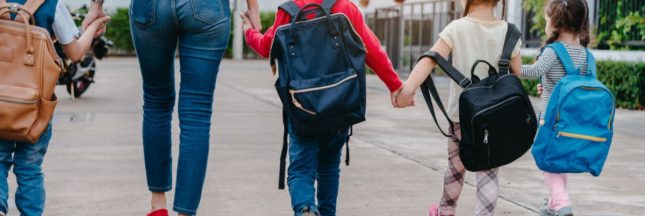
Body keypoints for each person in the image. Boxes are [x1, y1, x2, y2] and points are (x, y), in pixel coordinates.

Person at [241, 0, 403, 215]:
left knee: (301, 169)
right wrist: (395, 85)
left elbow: (264, 47)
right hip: (339, 104)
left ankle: (306, 208)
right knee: (328, 167)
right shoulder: (345, 7)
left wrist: (248, 31)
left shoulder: (288, 12)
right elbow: (371, 49)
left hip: (302, 108)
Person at [395, 0, 523, 215]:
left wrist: (406, 91)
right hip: (495, 120)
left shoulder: (457, 27)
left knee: (455, 169)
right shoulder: (509, 32)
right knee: (489, 172)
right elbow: (517, 75)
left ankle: (445, 211)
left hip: (462, 118)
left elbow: (430, 59)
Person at [0, 0, 109, 215]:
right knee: (30, 169)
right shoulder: (53, 5)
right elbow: (75, 53)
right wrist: (92, 28)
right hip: (35, 108)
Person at [519, 0, 591, 215]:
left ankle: (561, 202)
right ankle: (553, 204)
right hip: (572, 118)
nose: (545, 24)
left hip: (551, 118)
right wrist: (548, 85)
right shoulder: (583, 52)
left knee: (546, 160)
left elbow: (531, 72)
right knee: (558, 161)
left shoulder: (553, 51)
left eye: (546, 20)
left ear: (555, 23)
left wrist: (510, 64)